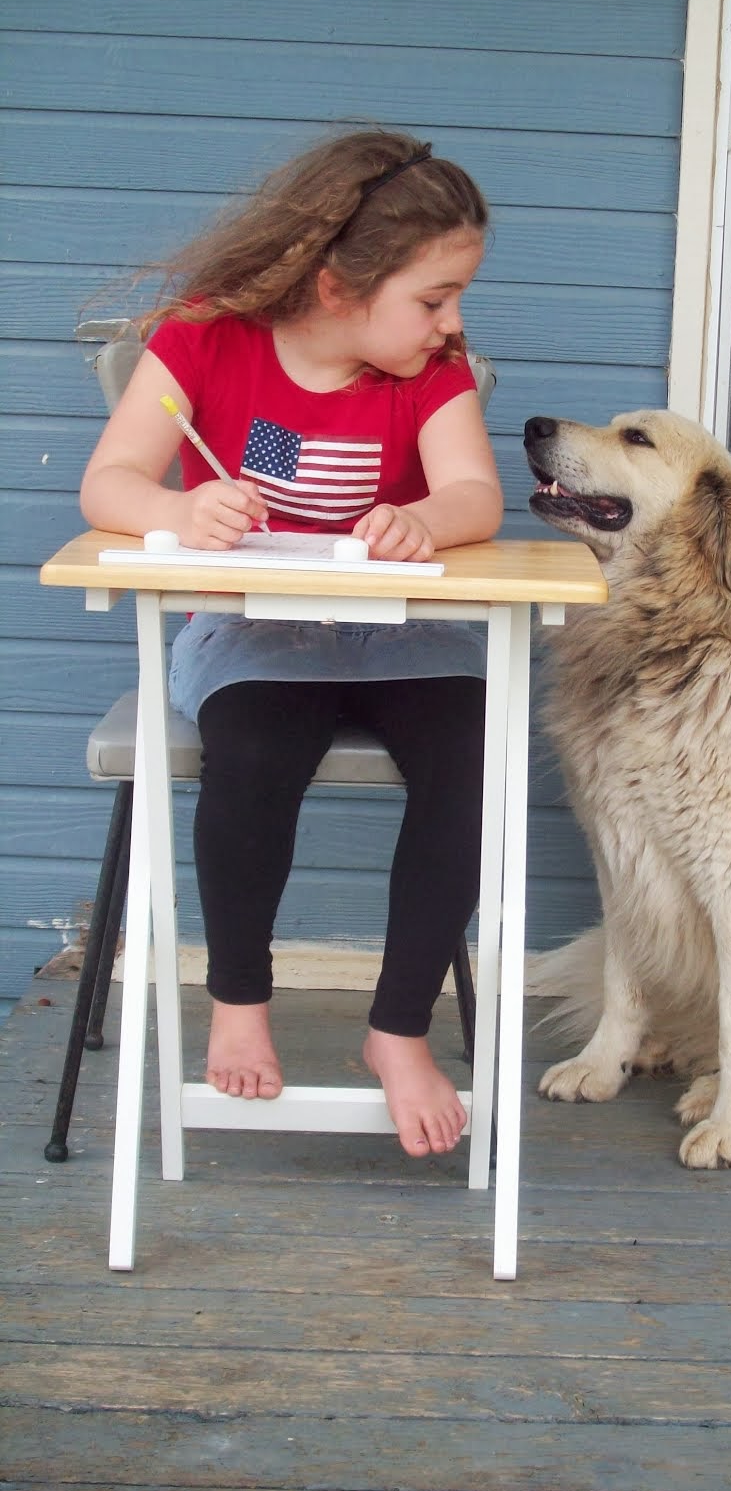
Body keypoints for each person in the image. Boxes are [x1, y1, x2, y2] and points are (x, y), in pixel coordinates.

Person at [80, 128, 504, 1160]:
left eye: (457, 300)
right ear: (336, 285)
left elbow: (474, 494)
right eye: (433, 298)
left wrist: (428, 523)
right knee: (257, 757)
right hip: (253, 628)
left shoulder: (432, 371)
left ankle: (398, 1030)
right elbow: (108, 486)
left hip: (399, 634)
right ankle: (237, 998)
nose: (453, 325)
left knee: (473, 757)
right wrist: (180, 510)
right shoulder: (203, 342)